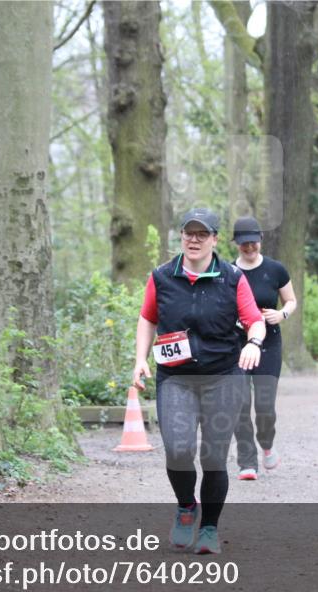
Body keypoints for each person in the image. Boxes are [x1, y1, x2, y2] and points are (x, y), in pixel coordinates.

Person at [132, 208, 266, 555]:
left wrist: (253, 343)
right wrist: (139, 360)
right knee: (178, 450)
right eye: (188, 233)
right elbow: (147, 318)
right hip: (176, 378)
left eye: (201, 234)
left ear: (214, 240)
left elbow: (255, 320)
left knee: (213, 456)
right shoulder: (162, 277)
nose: (193, 239)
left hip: (222, 377)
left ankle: (209, 528)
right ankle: (186, 505)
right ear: (181, 237)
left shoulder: (232, 277)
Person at [230, 216, 296, 481]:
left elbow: (290, 300)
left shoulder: (275, 269)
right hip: (236, 344)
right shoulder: (228, 271)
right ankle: (247, 461)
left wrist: (282, 315)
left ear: (260, 240)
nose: (249, 248)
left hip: (269, 344)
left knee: (265, 405)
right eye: (243, 244)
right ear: (236, 244)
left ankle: (266, 443)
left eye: (253, 243)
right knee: (239, 403)